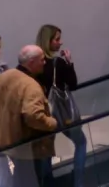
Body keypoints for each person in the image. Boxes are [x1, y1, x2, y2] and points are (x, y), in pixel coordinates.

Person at [0, 46, 59, 187]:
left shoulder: (2, 78)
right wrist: (52, 123)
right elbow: (33, 115)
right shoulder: (31, 86)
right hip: (26, 148)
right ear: (32, 62)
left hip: (2, 143)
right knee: (30, 181)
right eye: (42, 60)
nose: (45, 63)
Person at [36, 25, 85, 187]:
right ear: (47, 41)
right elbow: (73, 84)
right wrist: (69, 62)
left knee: (46, 150)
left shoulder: (35, 63)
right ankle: (78, 182)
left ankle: (46, 182)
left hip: (43, 113)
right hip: (61, 114)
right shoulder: (58, 63)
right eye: (57, 39)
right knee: (81, 142)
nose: (60, 43)